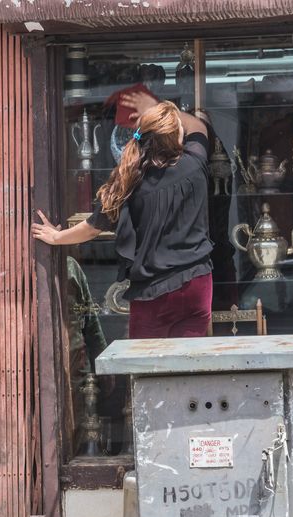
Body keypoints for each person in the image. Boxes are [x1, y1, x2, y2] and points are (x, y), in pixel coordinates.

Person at [32, 94, 214, 339]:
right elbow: (199, 126)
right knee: (189, 363)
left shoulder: (130, 181)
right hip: (197, 285)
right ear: (176, 135)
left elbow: (93, 227)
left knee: (145, 367)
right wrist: (155, 106)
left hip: (152, 293)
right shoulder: (195, 163)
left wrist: (57, 237)